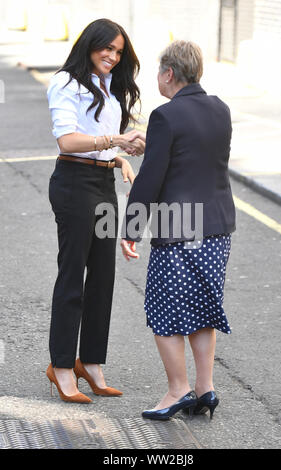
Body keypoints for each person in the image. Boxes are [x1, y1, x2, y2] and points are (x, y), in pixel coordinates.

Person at [121, 40, 236, 420]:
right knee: (204, 308)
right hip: (218, 227)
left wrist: (131, 230)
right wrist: (154, 142)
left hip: (179, 229)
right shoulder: (220, 109)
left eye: (158, 71)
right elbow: (196, 157)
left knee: (164, 311)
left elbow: (151, 179)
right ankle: (206, 389)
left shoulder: (165, 115)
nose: (157, 77)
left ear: (169, 74)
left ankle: (177, 390)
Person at [46, 18, 145, 403]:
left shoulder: (108, 86)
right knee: (73, 276)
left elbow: (98, 141)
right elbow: (68, 140)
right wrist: (113, 139)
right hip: (73, 183)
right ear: (89, 45)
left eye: (119, 52)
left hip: (103, 182)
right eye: (107, 48)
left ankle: (92, 363)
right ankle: (62, 366)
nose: (112, 56)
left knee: (103, 276)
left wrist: (117, 157)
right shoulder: (65, 83)